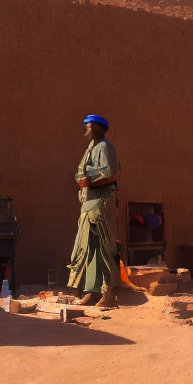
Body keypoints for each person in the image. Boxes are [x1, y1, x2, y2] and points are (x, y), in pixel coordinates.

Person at [67, 114, 119, 307]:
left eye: (88, 126)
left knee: (104, 247)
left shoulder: (105, 147)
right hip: (89, 204)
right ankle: (91, 291)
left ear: (97, 127)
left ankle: (109, 292)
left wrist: (86, 176)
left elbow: (110, 172)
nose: (86, 129)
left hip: (101, 203)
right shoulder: (91, 148)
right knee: (89, 249)